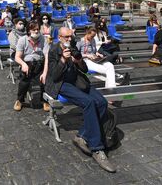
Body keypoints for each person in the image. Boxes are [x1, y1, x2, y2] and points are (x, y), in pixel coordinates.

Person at [45, 27, 116, 173]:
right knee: (89, 102)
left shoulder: (73, 47)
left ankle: (82, 136)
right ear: (59, 37)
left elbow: (83, 69)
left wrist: (78, 61)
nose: (69, 39)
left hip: (77, 81)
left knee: (101, 102)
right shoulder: (53, 50)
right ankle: (97, 148)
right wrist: (63, 60)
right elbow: (54, 76)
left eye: (71, 37)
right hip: (62, 84)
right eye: (66, 37)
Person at [13, 21, 50, 112]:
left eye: (38, 29)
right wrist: (23, 64)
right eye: (34, 30)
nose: (36, 31)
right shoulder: (23, 40)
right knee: (24, 82)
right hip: (27, 63)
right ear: (29, 30)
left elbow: (47, 57)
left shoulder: (44, 39)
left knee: (44, 81)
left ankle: (45, 100)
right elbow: (17, 57)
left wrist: (45, 72)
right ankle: (19, 100)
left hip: (40, 62)